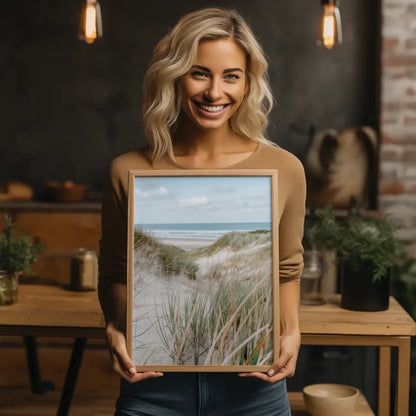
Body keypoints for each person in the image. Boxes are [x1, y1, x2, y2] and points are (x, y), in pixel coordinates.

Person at [98, 7, 306, 416]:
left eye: (231, 76)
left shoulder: (285, 169)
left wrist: (292, 332)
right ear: (174, 77)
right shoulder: (128, 170)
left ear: (248, 84)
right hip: (152, 390)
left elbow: (286, 270)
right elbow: (115, 272)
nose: (215, 93)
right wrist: (113, 327)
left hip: (254, 392)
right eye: (199, 73)